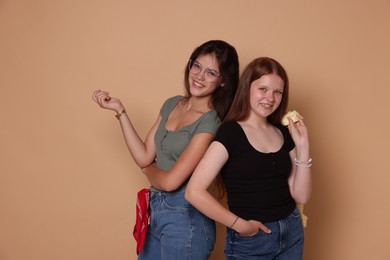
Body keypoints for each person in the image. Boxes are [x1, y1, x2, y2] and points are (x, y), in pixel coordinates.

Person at [92, 40, 239, 259]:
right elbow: (144, 155)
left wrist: (147, 170)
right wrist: (120, 111)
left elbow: (171, 182)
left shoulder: (211, 122)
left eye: (211, 73)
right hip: (158, 211)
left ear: (223, 81)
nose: (199, 76)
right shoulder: (172, 103)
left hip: (187, 218)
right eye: (196, 66)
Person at [185, 57, 312, 259]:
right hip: (252, 240)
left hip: (291, 231)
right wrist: (240, 225)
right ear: (247, 88)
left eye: (277, 92)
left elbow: (301, 196)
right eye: (263, 89)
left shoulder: (283, 131)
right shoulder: (230, 132)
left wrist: (303, 146)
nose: (270, 98)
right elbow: (193, 192)